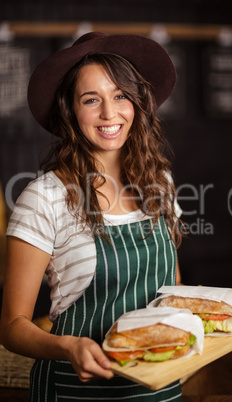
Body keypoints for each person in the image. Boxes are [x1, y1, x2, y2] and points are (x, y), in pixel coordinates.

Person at [0, 31, 183, 401]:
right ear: (70, 111)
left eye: (120, 96)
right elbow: (12, 326)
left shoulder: (159, 183)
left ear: (137, 103)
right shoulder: (45, 197)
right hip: (74, 389)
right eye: (91, 100)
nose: (109, 113)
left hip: (160, 387)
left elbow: (172, 290)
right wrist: (68, 347)